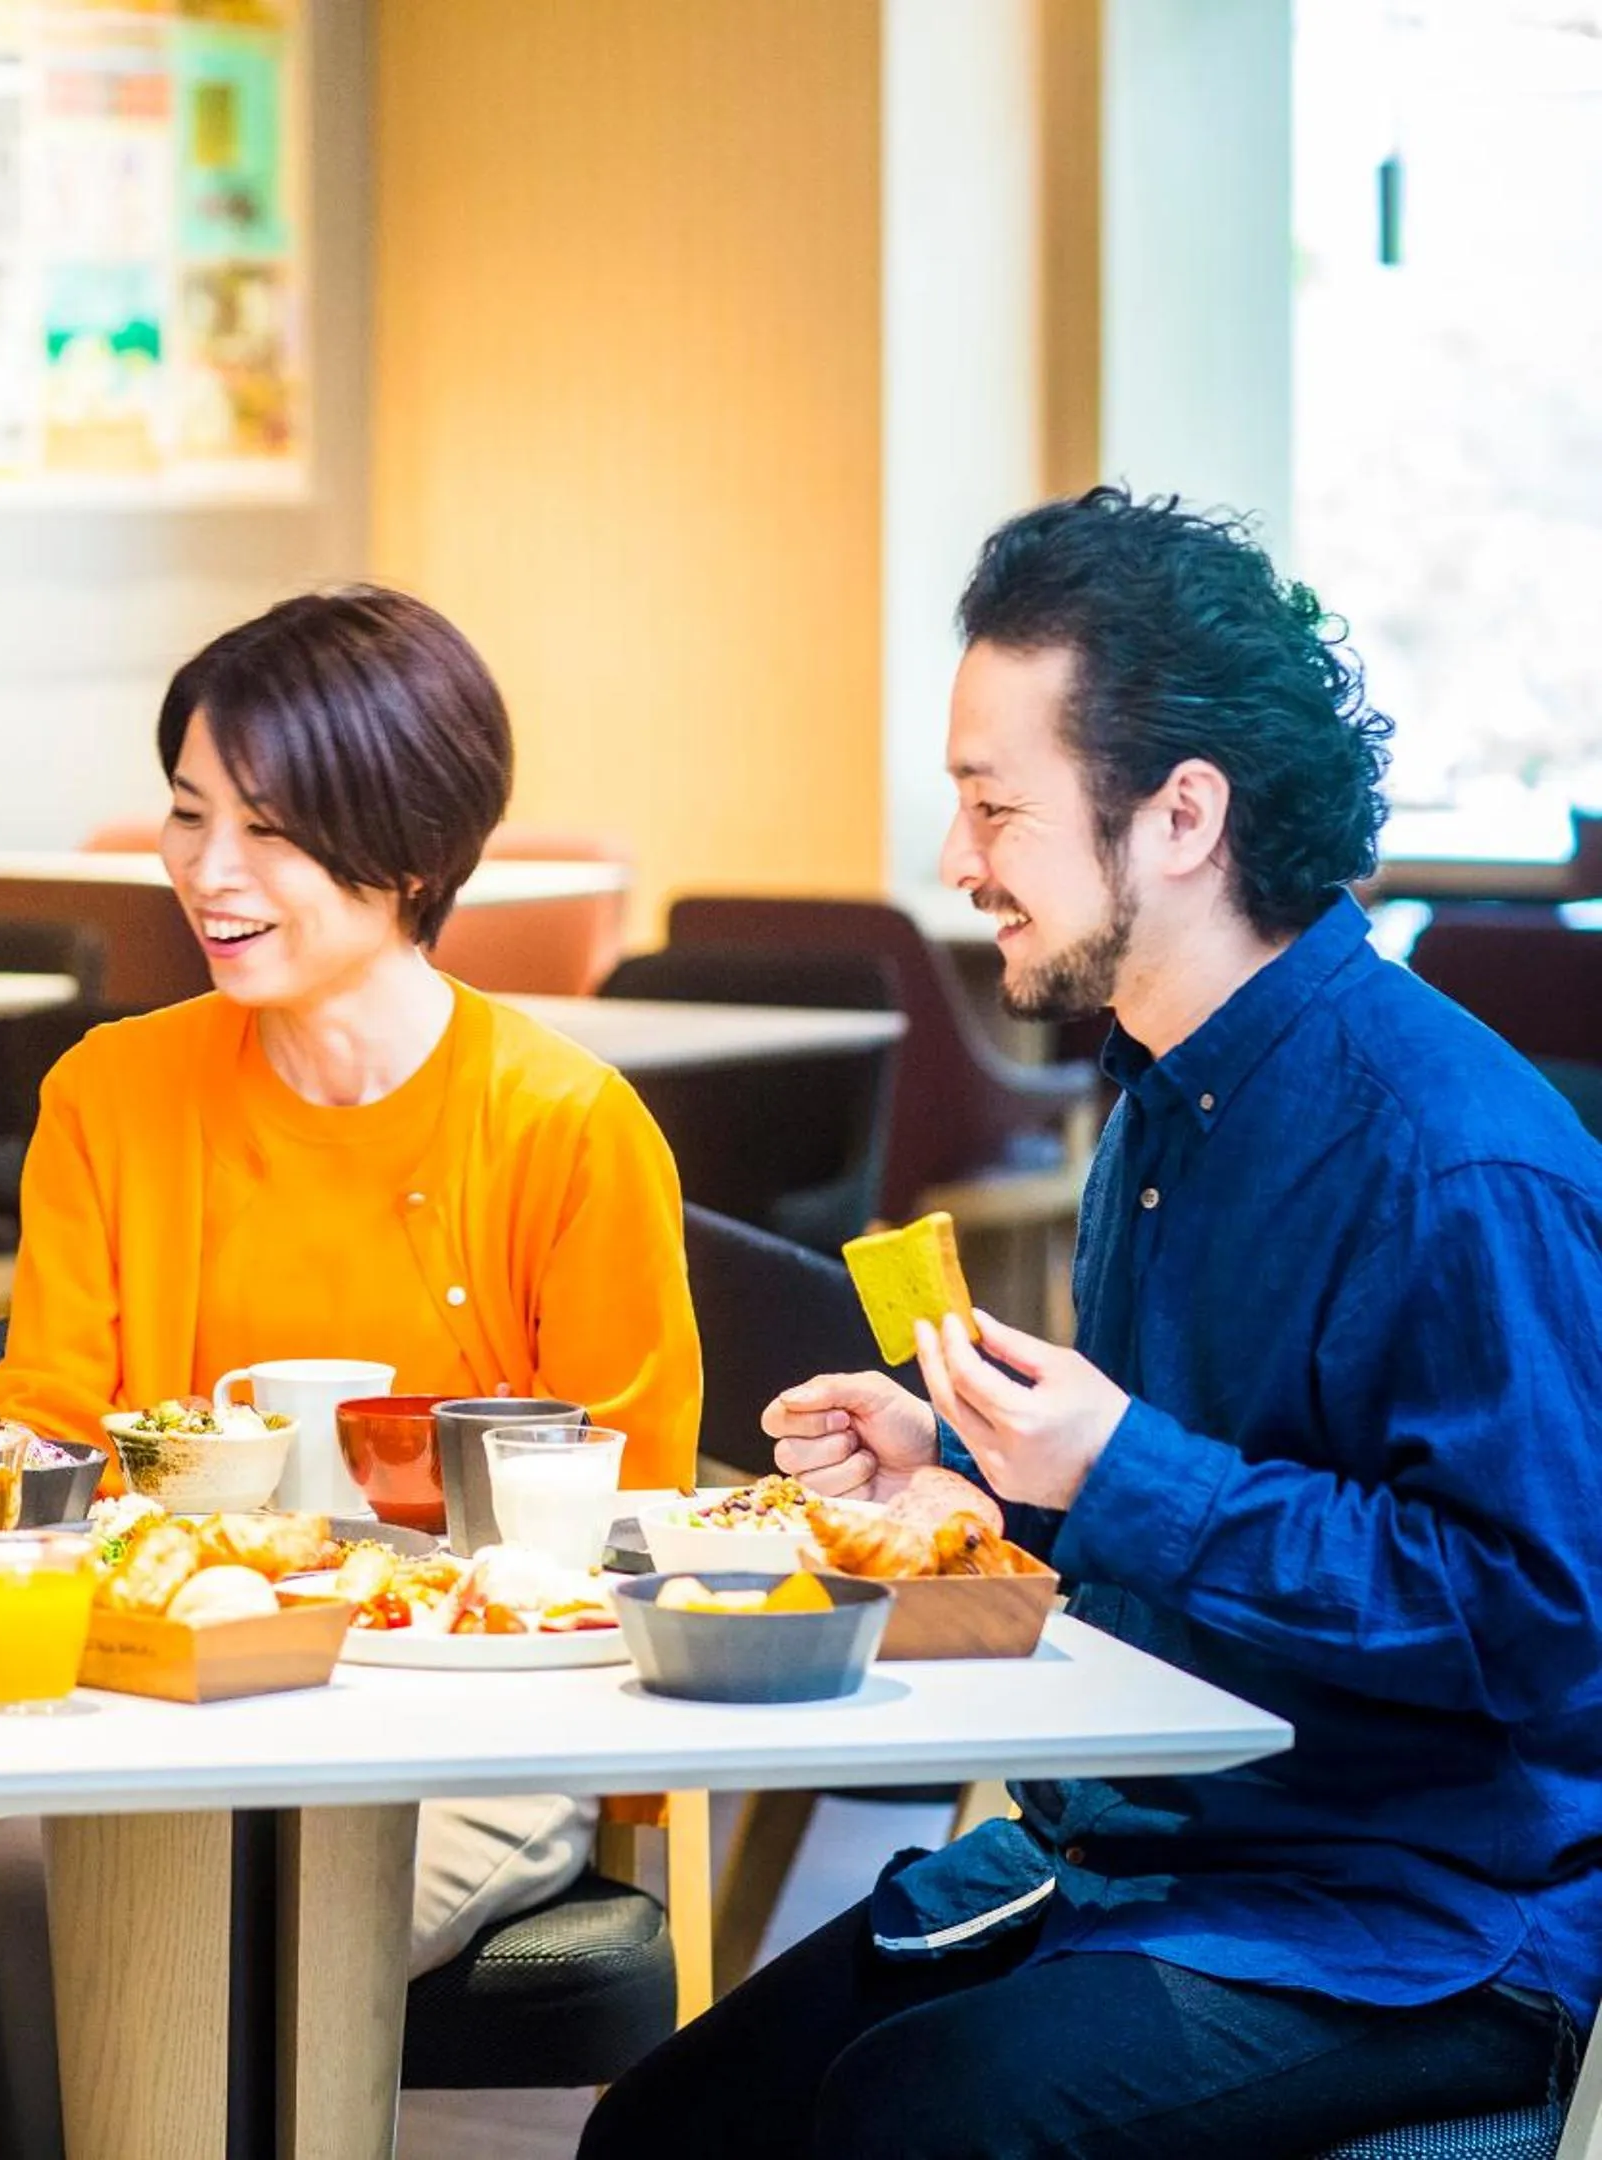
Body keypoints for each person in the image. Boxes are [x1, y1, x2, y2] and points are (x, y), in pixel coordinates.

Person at [584, 488, 1602, 2159]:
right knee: (671, 2127)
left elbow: (1544, 1629)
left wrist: (1123, 1466)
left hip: (1400, 1921)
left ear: (1183, 815)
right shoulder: (1158, 1100)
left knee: (909, 2124)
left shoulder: (1453, 1159)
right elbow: (1205, 1498)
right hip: (1136, 1852)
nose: (954, 863)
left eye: (996, 807)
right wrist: (984, 1471)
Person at [0, 586, 705, 2160]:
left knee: (228, 1914)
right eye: (189, 817)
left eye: (272, 829)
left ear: (410, 841)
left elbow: (626, 1508)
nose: (209, 872)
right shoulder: (114, 1094)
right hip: (147, 1699)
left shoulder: (565, 1130)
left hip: (453, 1728)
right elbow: (44, 1433)